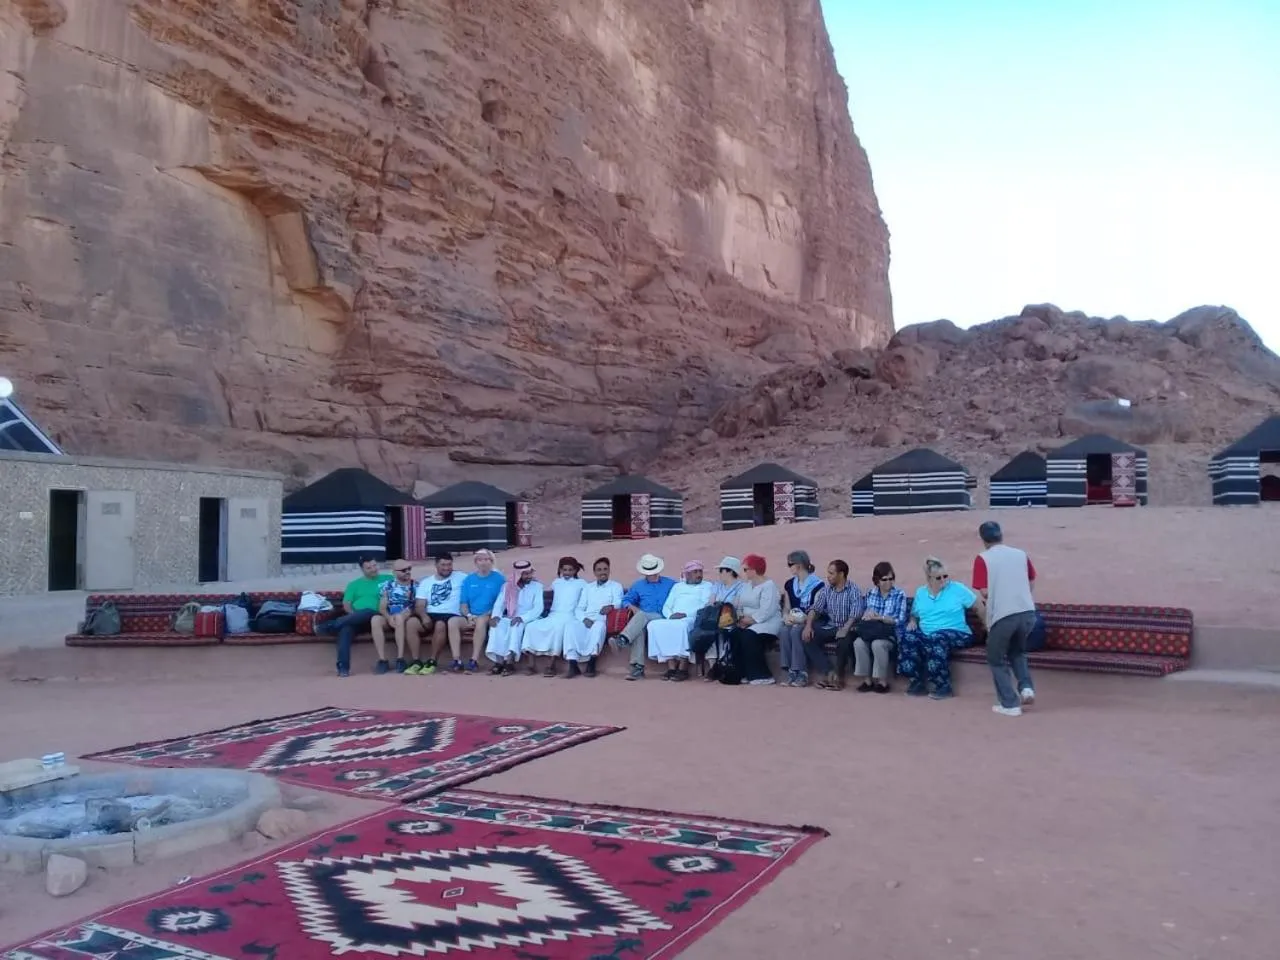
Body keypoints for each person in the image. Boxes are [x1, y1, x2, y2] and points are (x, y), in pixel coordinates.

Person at [973, 521, 1038, 716]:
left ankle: (1010, 704)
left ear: (983, 539)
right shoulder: (1020, 554)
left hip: (1003, 615)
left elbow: (984, 591)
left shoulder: (983, 559)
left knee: (995, 658)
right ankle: (1026, 687)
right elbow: (1032, 580)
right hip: (1027, 611)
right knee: (1017, 652)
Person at [899, 556, 986, 700]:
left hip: (958, 633)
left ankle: (943, 685)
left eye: (946, 576)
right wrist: (912, 621)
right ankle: (916, 682)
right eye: (938, 578)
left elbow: (979, 607)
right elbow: (915, 614)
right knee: (908, 637)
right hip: (928, 634)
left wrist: (987, 627)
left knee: (936, 638)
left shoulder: (957, 589)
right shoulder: (921, 593)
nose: (944, 580)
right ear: (929, 578)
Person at [317, 557, 391, 677]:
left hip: (377, 618)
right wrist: (354, 617)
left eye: (374, 566)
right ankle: (343, 668)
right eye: (369, 568)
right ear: (362, 569)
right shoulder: (354, 584)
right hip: (356, 618)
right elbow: (346, 605)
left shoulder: (388, 579)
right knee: (345, 630)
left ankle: (329, 626)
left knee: (367, 611)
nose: (373, 569)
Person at [645, 560, 715, 682]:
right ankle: (671, 667)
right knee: (654, 625)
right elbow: (667, 606)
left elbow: (705, 606)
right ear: (687, 574)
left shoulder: (707, 586)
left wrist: (685, 614)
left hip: (692, 618)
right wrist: (671, 615)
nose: (699, 574)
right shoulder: (677, 587)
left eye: (700, 571)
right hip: (673, 617)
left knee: (681, 627)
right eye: (695, 572)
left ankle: (683, 668)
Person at [843, 561, 907, 693]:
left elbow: (900, 620)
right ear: (877, 581)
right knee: (859, 643)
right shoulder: (871, 594)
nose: (889, 582)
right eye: (885, 579)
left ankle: (882, 681)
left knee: (878, 644)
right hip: (872, 631)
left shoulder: (899, 595)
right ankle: (867, 680)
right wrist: (867, 615)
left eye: (891, 579)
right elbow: (863, 614)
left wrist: (881, 618)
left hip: (890, 633)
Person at [801, 560, 863, 689]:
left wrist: (845, 629)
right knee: (807, 637)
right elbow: (815, 608)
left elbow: (856, 613)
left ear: (841, 574)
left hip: (849, 627)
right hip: (831, 626)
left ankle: (839, 677)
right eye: (828, 573)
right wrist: (808, 626)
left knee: (844, 640)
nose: (828, 576)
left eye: (831, 573)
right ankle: (828, 672)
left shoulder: (854, 590)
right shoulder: (827, 589)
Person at [615, 554, 676, 681]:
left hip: (663, 618)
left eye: (655, 572)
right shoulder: (638, 585)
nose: (653, 574)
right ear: (645, 573)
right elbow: (625, 600)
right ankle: (638, 669)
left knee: (641, 616)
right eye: (650, 573)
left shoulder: (671, 583)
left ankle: (623, 639)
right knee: (639, 627)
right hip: (644, 620)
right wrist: (632, 607)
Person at [522, 557, 587, 677]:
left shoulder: (582, 584)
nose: (567, 572)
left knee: (558, 629)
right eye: (564, 569)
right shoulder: (556, 582)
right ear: (560, 569)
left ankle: (551, 666)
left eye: (570, 570)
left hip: (570, 616)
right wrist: (532, 581)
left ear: (575, 570)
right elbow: (544, 591)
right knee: (531, 627)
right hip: (553, 615)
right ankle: (530, 665)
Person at [726, 553, 780, 685]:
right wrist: (740, 619)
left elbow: (767, 610)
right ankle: (741, 672)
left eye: (745, 569)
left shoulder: (769, 586)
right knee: (734, 634)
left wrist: (750, 621)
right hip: (747, 622)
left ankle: (762, 675)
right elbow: (740, 605)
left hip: (767, 623)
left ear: (754, 570)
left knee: (749, 636)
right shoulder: (747, 585)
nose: (742, 572)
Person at [563, 557, 623, 677]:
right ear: (595, 572)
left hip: (603, 618)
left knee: (599, 627)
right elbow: (579, 608)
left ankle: (592, 663)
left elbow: (619, 602)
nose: (602, 572)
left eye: (605, 569)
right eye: (599, 569)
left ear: (609, 570)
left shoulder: (616, 586)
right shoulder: (588, 587)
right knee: (570, 626)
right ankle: (572, 664)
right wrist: (584, 619)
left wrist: (611, 606)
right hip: (586, 619)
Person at [449, 549, 505, 673]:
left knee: (480, 622)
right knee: (452, 622)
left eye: (486, 559)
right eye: (480, 560)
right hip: (470, 616)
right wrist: (469, 615)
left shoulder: (499, 579)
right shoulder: (469, 580)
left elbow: (501, 602)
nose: (483, 563)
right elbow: (463, 603)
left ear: (491, 561)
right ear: (476, 562)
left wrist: (486, 614)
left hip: (489, 615)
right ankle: (456, 659)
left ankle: (474, 660)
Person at [412, 553, 468, 674]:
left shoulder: (462, 577)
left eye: (449, 564)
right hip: (431, 614)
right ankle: (416, 661)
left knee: (440, 625)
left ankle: (432, 661)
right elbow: (420, 604)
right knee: (411, 623)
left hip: (451, 615)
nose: (447, 568)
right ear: (436, 565)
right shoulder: (426, 582)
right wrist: (423, 616)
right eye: (443, 564)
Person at [486, 560, 545, 675]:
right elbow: (500, 604)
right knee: (496, 626)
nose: (528, 576)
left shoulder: (537, 586)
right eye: (525, 574)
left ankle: (509, 662)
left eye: (530, 573)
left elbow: (538, 608)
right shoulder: (507, 586)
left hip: (529, 618)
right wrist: (496, 616)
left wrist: (522, 618)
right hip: (510, 616)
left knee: (515, 626)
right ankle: (498, 662)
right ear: (518, 574)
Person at [690, 557, 744, 677]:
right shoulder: (717, 585)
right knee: (706, 630)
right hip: (716, 618)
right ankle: (713, 665)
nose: (719, 574)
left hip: (731, 618)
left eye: (721, 570)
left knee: (719, 630)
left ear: (730, 571)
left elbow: (736, 604)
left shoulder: (741, 587)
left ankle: (720, 665)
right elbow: (711, 602)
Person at [778, 550, 824, 686]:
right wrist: (786, 616)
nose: (789, 567)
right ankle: (790, 670)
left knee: (796, 631)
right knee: (784, 630)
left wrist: (803, 619)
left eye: (790, 564)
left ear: (798, 565)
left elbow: (817, 609)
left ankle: (801, 672)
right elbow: (787, 607)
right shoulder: (790, 584)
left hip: (811, 620)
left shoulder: (818, 585)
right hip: (794, 619)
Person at [371, 559, 418, 674]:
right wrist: (388, 617)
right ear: (394, 572)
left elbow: (416, 606)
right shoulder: (388, 586)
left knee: (399, 618)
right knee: (375, 619)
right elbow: (382, 607)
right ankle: (382, 660)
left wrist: (401, 615)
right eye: (403, 570)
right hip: (390, 615)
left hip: (407, 615)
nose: (407, 572)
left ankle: (400, 658)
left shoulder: (415, 586)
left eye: (409, 569)